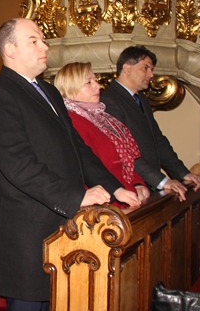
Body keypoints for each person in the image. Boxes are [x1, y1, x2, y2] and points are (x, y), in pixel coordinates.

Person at [0, 18, 138, 311]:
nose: (45, 46)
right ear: (10, 50)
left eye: (43, 39)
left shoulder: (48, 92)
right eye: (34, 41)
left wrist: (115, 187)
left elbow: (78, 149)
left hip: (60, 225)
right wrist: (76, 196)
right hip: (28, 230)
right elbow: (18, 165)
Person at [101, 45, 200, 201]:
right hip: (134, 187)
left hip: (150, 183)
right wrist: (161, 181)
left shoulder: (141, 99)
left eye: (151, 69)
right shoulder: (109, 100)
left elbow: (158, 141)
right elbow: (123, 152)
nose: (151, 74)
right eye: (145, 68)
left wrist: (183, 174)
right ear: (127, 68)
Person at [54, 62, 150, 207]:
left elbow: (124, 160)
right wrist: (126, 190)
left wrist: (137, 183)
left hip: (123, 194)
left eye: (96, 80)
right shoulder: (72, 120)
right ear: (70, 88)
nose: (98, 86)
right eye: (88, 82)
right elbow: (93, 169)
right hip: (105, 203)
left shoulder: (101, 117)